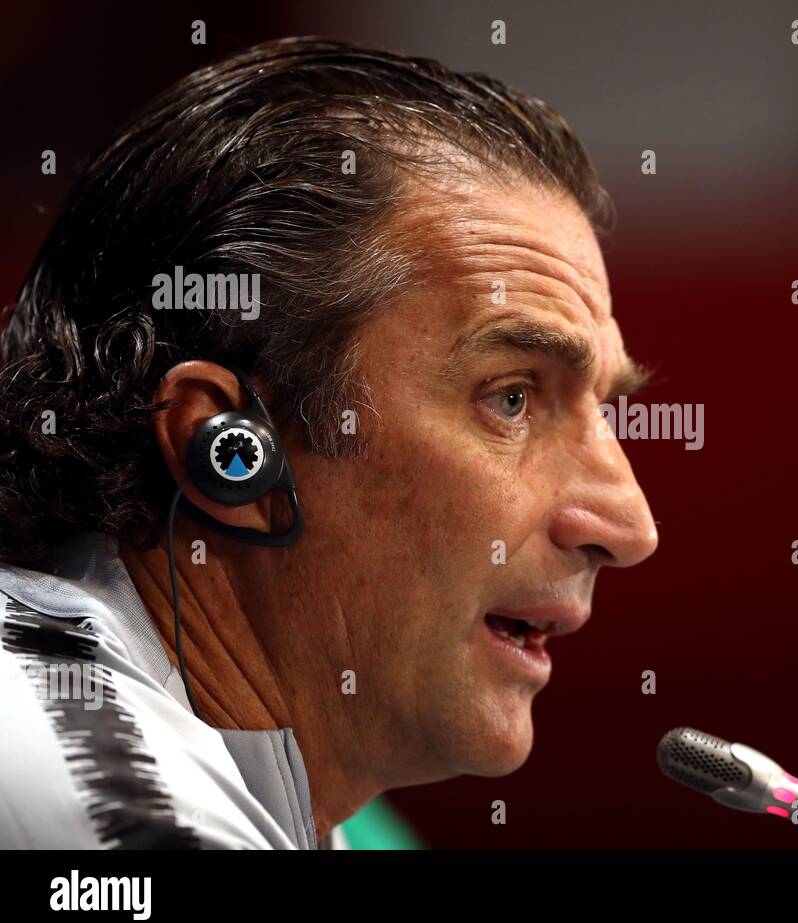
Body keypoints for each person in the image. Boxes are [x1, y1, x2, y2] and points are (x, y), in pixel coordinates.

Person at [0, 37, 658, 849]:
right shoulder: (93, 814)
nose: (629, 528)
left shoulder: (273, 789)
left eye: (604, 407)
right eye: (512, 399)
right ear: (229, 450)